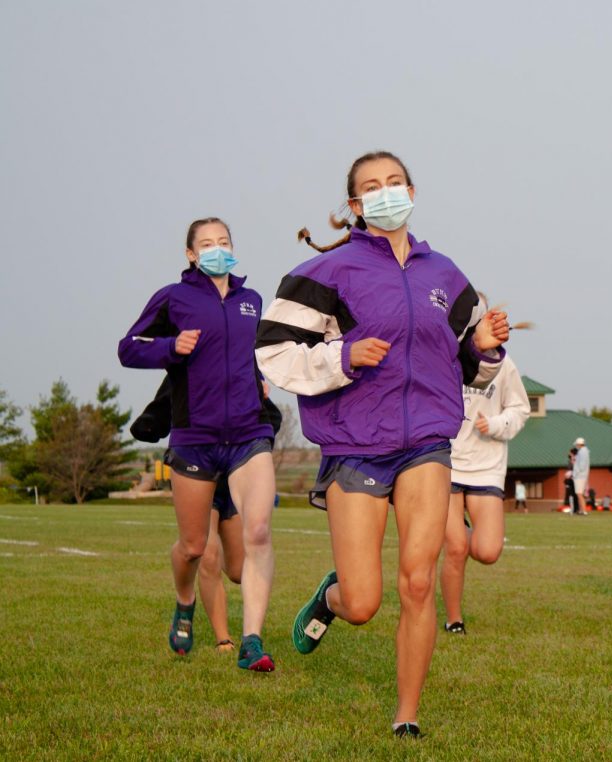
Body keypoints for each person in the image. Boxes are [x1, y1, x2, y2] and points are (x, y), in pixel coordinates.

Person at [254, 151, 509, 738]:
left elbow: (469, 368)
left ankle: (406, 717)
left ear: (412, 191)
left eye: (394, 182)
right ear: (354, 205)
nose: (385, 192)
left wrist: (486, 348)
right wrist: (343, 355)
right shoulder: (326, 274)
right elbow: (272, 353)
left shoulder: (444, 273)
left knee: (418, 582)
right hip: (355, 444)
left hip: (427, 441)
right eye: (372, 186)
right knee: (365, 603)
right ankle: (333, 597)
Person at [118, 217, 277, 671]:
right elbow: (129, 347)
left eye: (223, 242)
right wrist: (171, 347)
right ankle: (184, 601)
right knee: (192, 547)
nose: (216, 249)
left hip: (249, 433)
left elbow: (245, 353)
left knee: (259, 531)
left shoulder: (251, 300)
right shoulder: (174, 297)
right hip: (195, 437)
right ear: (190, 254)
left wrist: (259, 379)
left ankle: (251, 643)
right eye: (206, 244)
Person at [130, 378, 283, 652]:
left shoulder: (236, 365)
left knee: (238, 570)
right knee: (206, 554)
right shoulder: (193, 361)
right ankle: (222, 637)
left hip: (233, 478)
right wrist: (150, 421)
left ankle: (190, 553)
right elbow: (169, 394)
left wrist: (260, 405)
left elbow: (271, 417)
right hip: (200, 474)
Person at [440, 348, 529, 635]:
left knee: (487, 551)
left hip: (487, 467)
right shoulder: (443, 355)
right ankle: (454, 620)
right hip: (446, 461)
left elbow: (519, 409)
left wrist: (495, 424)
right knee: (455, 548)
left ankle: (466, 534)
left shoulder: (503, 364)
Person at [572, 438, 590, 515]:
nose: (576, 445)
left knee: (579, 494)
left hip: (580, 476)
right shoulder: (583, 451)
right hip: (581, 475)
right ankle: (581, 510)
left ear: (579, 444)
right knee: (579, 493)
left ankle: (584, 511)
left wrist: (575, 474)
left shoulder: (582, 452)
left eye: (576, 444)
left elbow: (581, 465)